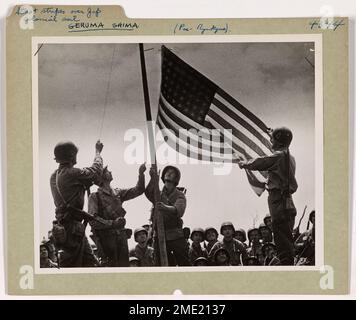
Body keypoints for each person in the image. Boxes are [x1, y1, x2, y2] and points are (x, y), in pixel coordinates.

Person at [238, 127, 298, 266]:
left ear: (278, 141)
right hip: (286, 201)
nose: (271, 141)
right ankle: (287, 263)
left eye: (273, 139)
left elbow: (262, 162)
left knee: (282, 239)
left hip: (279, 201)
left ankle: (286, 268)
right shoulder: (289, 157)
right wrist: (273, 133)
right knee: (286, 237)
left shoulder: (279, 156)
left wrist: (244, 164)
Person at [50, 140, 103, 267]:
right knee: (71, 266)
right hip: (72, 229)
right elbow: (96, 172)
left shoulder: (54, 176)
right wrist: (98, 152)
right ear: (72, 156)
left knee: (90, 263)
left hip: (69, 227)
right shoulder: (72, 173)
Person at [88, 164, 146, 267]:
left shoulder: (118, 193)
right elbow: (93, 220)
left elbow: (139, 190)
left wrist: (141, 174)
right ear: (101, 177)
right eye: (107, 171)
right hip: (106, 240)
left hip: (121, 238)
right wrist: (113, 223)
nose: (110, 172)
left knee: (123, 268)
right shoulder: (94, 196)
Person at [145, 165, 190, 266]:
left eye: (172, 172)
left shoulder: (180, 195)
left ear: (176, 178)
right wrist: (153, 179)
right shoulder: (158, 194)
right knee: (160, 265)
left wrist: (164, 207)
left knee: (184, 263)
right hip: (159, 235)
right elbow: (148, 193)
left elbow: (179, 210)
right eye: (167, 172)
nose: (169, 173)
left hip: (175, 235)